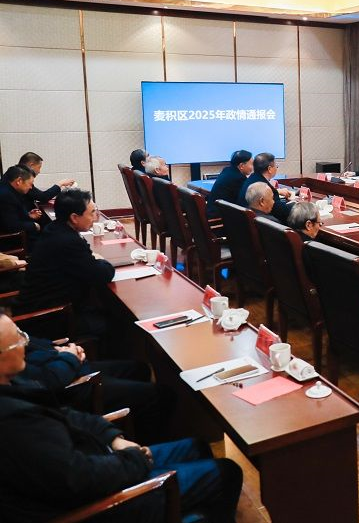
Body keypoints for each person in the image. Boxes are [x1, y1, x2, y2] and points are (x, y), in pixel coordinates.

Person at [0, 314, 243, 523]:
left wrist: (114, 438)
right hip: (100, 503)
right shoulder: (15, 423)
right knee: (226, 472)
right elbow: (79, 479)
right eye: (17, 342)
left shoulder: (13, 386)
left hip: (100, 458)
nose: (24, 344)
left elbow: (66, 414)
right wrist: (134, 460)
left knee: (197, 447)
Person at [23, 338, 172, 443]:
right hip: (70, 388)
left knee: (140, 369)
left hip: (63, 365)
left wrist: (58, 349)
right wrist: (69, 357)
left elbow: (28, 341)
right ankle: (148, 451)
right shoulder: (15, 374)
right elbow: (49, 380)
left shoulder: (13, 341)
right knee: (160, 395)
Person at [12, 189, 115, 339]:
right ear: (74, 217)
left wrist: (93, 260)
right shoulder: (68, 241)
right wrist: (102, 261)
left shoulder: (54, 228)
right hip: (49, 318)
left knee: (101, 306)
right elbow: (103, 274)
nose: (96, 216)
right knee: (117, 322)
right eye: (92, 212)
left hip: (39, 306)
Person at [238, 153, 291, 222]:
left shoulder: (252, 178)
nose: (276, 168)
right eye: (276, 166)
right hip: (264, 224)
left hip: (248, 221)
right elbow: (282, 212)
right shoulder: (264, 187)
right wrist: (295, 204)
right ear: (269, 169)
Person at [0, 165, 42, 244]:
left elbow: (9, 216)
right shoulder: (6, 196)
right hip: (9, 241)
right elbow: (12, 226)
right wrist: (34, 225)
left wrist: (28, 215)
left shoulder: (7, 188)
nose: (31, 187)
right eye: (30, 184)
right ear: (19, 181)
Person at [207, 150, 252, 218]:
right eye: (251, 164)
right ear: (241, 166)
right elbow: (244, 201)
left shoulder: (226, 170)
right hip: (219, 218)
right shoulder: (239, 178)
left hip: (212, 211)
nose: (253, 167)